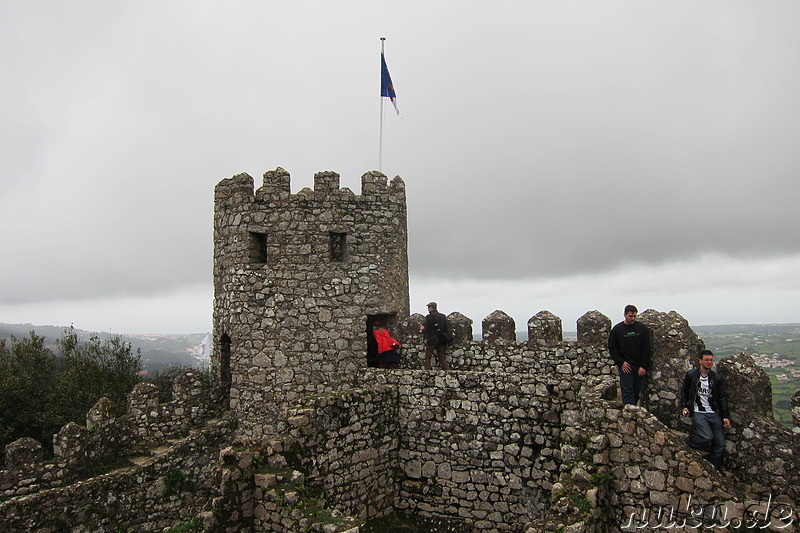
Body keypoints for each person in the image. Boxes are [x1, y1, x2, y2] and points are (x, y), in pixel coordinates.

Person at [680, 349, 731, 470]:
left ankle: (714, 469)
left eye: (711, 360)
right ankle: (687, 442)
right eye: (707, 360)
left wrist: (725, 416)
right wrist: (684, 407)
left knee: (720, 443)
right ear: (700, 361)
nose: (709, 362)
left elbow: (722, 398)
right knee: (707, 437)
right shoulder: (691, 375)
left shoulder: (716, 378)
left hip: (714, 413)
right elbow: (684, 391)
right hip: (699, 413)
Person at [608, 304, 651, 405]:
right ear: (625, 315)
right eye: (630, 316)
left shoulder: (642, 328)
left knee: (636, 391)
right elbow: (612, 349)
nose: (633, 318)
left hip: (639, 365)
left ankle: (633, 411)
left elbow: (646, 347)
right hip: (626, 366)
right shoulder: (617, 330)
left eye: (635, 316)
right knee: (627, 392)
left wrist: (643, 366)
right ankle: (629, 414)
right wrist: (621, 362)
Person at [419, 302, 451, 370]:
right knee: (442, 358)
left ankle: (427, 372)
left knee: (428, 357)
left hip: (432, 340)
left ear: (431, 308)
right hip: (441, 339)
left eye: (428, 307)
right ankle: (448, 372)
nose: (428, 309)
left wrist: (422, 330)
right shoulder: (443, 316)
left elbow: (427, 330)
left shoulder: (429, 317)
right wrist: (446, 341)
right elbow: (446, 329)